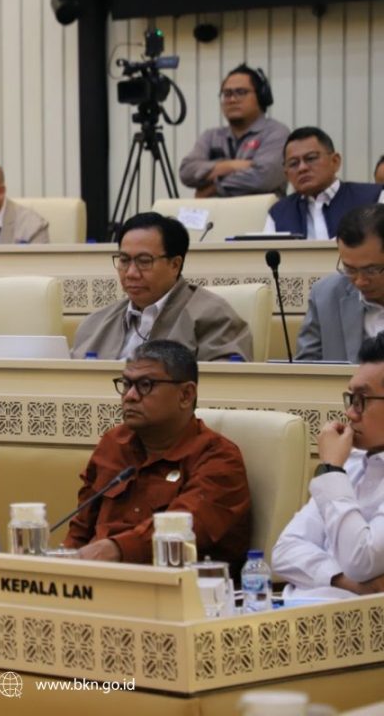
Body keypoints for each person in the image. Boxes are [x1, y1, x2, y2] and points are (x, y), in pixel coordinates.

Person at [63, 340, 251, 565]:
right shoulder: (113, 443)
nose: (130, 396)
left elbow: (178, 533)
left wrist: (113, 550)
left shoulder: (219, 459)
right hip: (97, 577)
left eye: (145, 385)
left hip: (174, 581)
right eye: (126, 384)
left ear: (186, 395)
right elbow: (80, 531)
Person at [272, 332, 384, 599]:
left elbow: (361, 560)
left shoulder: (337, 468)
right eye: (351, 398)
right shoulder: (352, 463)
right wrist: (349, 583)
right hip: (301, 612)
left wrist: (332, 470)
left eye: (362, 400)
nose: (350, 413)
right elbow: (284, 551)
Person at [71, 212, 252, 361]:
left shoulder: (214, 318)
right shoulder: (95, 323)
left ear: (175, 265)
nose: (131, 273)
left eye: (144, 261)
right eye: (124, 260)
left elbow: (225, 386)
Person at [179, 65, 290, 198]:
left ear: (261, 96)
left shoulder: (276, 133)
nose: (232, 99)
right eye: (227, 94)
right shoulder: (211, 136)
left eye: (241, 92)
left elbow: (263, 178)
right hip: (214, 211)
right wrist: (231, 166)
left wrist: (214, 188)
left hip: (262, 211)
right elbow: (186, 172)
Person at [297, 204, 384, 362]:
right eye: (350, 269)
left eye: (371, 270)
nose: (360, 281)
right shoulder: (325, 295)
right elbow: (306, 367)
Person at [263, 127, 383, 239]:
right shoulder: (278, 213)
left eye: (311, 158)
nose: (302, 168)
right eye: (293, 163)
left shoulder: (374, 198)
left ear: (335, 161)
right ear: (286, 174)